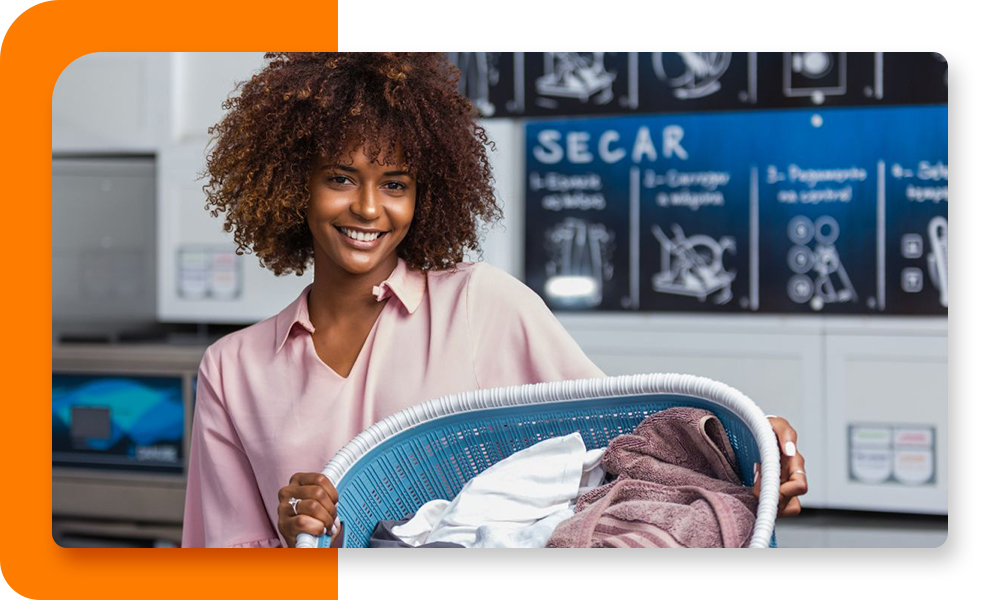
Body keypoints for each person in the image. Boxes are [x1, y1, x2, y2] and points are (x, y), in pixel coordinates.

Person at [181, 53, 807, 548]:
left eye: (394, 184)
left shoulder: (481, 305)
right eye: (341, 177)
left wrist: (744, 447)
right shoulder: (233, 370)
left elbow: (629, 448)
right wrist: (295, 537)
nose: (369, 208)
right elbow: (220, 564)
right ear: (294, 184)